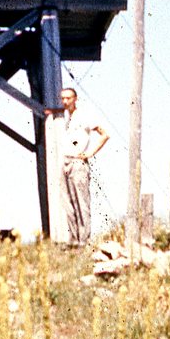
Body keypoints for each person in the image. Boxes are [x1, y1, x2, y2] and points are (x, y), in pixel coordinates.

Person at [57, 87, 109, 245]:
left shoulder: (84, 115)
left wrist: (90, 153)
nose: (66, 101)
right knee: (68, 203)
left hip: (78, 162)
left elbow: (104, 134)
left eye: (69, 98)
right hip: (65, 161)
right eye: (63, 98)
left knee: (82, 202)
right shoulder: (66, 118)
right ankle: (73, 240)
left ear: (75, 99)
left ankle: (84, 240)